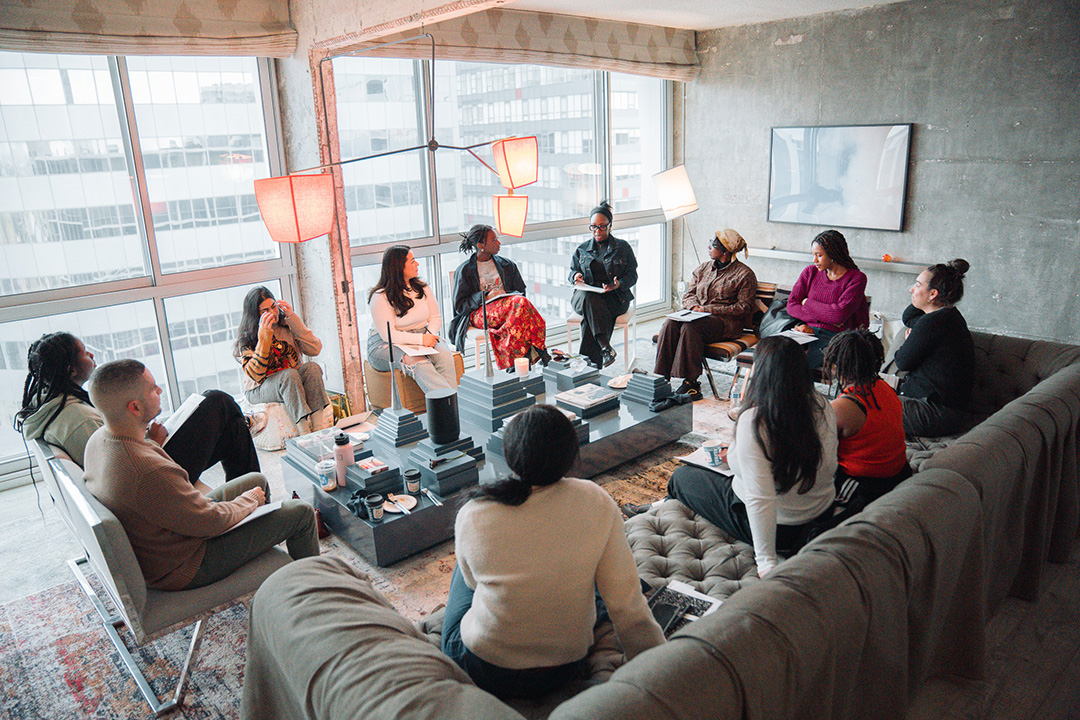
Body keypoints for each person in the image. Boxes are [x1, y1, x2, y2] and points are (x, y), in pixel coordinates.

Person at [441, 404, 664, 699]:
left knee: (463, 568)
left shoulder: (474, 512)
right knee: (585, 566)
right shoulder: (595, 500)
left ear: (509, 454)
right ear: (571, 454)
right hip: (564, 668)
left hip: (487, 667)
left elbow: (472, 583)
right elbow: (626, 603)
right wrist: (661, 670)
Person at [82, 359, 318, 590]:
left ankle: (266, 554)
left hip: (172, 539)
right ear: (135, 407)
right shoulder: (147, 470)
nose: (160, 390)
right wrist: (250, 500)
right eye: (153, 389)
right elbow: (211, 522)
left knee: (256, 482)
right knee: (300, 513)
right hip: (186, 564)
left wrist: (247, 499)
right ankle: (313, 592)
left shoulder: (99, 441)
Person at [665, 336, 838, 577]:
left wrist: (766, 562)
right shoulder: (822, 404)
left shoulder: (756, 421)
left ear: (763, 371)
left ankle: (664, 514)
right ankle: (661, 511)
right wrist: (738, 454)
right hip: (820, 514)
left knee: (681, 478)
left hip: (782, 531)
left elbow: (760, 499)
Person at [15, 332, 259, 491]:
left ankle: (255, 502)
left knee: (233, 427)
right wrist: (153, 442)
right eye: (84, 351)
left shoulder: (52, 404)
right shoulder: (78, 420)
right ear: (70, 369)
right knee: (217, 401)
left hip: (146, 462)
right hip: (151, 480)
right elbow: (123, 470)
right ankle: (256, 499)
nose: (91, 354)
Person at [653, 228, 758, 400]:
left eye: (712, 244)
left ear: (725, 251)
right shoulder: (704, 268)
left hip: (725, 324)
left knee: (690, 328)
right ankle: (660, 378)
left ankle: (691, 383)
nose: (708, 247)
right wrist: (694, 306)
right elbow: (689, 294)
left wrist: (708, 310)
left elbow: (744, 308)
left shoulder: (744, 274)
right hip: (697, 316)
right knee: (670, 323)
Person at [822, 329, 911, 517]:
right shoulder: (884, 387)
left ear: (836, 367)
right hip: (901, 472)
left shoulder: (843, 407)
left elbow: (819, 452)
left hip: (866, 483)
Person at [893, 259, 975, 437]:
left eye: (917, 285)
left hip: (934, 413)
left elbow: (902, 362)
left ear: (933, 294)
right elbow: (909, 318)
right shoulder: (948, 316)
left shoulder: (933, 322)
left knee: (861, 404)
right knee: (865, 400)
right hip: (940, 411)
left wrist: (908, 341)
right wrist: (922, 300)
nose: (911, 290)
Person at [450, 224, 549, 370]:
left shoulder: (507, 265)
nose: (499, 243)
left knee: (520, 306)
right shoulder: (465, 270)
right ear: (480, 245)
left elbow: (521, 291)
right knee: (520, 305)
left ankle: (515, 364)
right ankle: (537, 352)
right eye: (493, 240)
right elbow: (460, 306)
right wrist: (483, 297)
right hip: (479, 313)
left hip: (510, 309)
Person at [235, 286, 329, 435]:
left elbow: (315, 349)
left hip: (290, 378)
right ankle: (305, 433)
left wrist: (294, 320)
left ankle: (319, 429)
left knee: (312, 368)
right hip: (259, 387)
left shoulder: (286, 326)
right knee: (289, 375)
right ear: (255, 314)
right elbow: (256, 374)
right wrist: (264, 335)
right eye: (265, 311)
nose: (273, 313)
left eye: (274, 307)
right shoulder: (247, 337)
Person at [368, 245, 458, 394]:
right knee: (420, 363)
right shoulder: (380, 296)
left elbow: (435, 317)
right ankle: (449, 401)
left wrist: (430, 336)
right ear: (399, 267)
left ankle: (450, 403)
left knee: (445, 356)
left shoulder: (422, 288)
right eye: (412, 261)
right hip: (385, 343)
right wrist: (422, 340)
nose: (417, 264)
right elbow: (389, 335)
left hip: (422, 334)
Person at [786, 229, 870, 369]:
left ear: (833, 254)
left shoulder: (856, 278)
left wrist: (807, 302)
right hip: (807, 331)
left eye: (819, 255)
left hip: (839, 336)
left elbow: (839, 315)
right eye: (813, 255)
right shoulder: (810, 272)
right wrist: (824, 318)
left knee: (800, 364)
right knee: (778, 352)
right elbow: (791, 305)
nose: (814, 260)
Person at [569, 201, 638, 368]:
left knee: (592, 312)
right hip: (583, 297)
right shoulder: (582, 249)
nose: (597, 231)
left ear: (610, 226)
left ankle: (589, 368)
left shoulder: (622, 247)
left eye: (602, 226)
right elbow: (571, 272)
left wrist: (618, 284)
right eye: (593, 227)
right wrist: (576, 276)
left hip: (614, 298)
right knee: (590, 298)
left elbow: (632, 276)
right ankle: (605, 347)